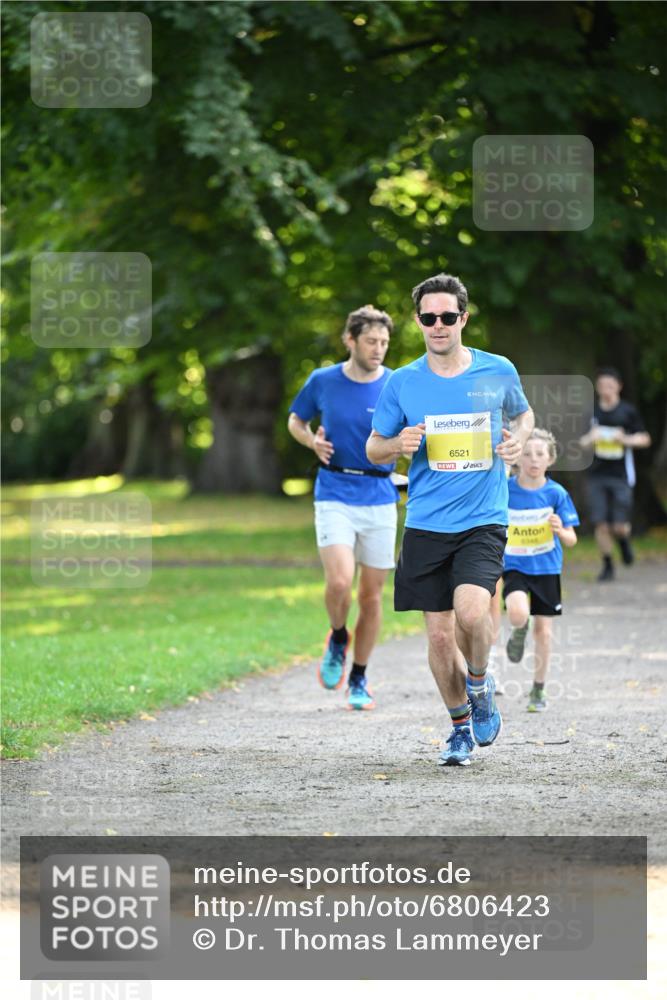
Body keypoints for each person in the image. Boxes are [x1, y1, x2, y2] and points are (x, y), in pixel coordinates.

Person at [366, 272, 534, 766]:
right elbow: (373, 447)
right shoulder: (403, 381)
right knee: (439, 636)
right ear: (418, 322)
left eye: (446, 316)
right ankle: (459, 728)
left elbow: (522, 415)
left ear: (463, 318)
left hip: (483, 518)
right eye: (427, 317)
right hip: (425, 523)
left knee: (472, 613)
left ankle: (480, 683)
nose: (437, 325)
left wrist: (519, 439)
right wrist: (398, 445)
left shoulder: (497, 370)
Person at [288, 305, 399, 710]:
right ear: (350, 340)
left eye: (385, 342)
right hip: (334, 490)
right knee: (339, 583)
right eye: (371, 341)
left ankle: (359, 677)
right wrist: (311, 442)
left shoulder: (395, 384)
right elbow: (296, 420)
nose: (379, 349)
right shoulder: (323, 380)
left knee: (371, 598)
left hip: (381, 496)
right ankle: (338, 635)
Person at [503, 429, 579, 712]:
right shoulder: (506, 489)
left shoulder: (556, 493)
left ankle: (538, 689)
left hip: (546, 568)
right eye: (526, 453)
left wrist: (560, 530)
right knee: (518, 613)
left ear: (550, 459)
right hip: (514, 566)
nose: (533, 460)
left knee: (544, 633)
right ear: (517, 459)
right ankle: (519, 629)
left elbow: (572, 540)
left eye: (539, 454)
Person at [580, 367, 651, 582]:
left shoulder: (627, 412)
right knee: (601, 524)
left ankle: (623, 541)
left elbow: (645, 439)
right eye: (602, 386)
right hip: (596, 475)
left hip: (621, 475)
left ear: (619, 386)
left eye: (610, 386)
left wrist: (625, 440)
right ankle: (608, 565)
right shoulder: (591, 413)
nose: (606, 390)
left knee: (619, 526)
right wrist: (590, 439)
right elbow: (579, 444)